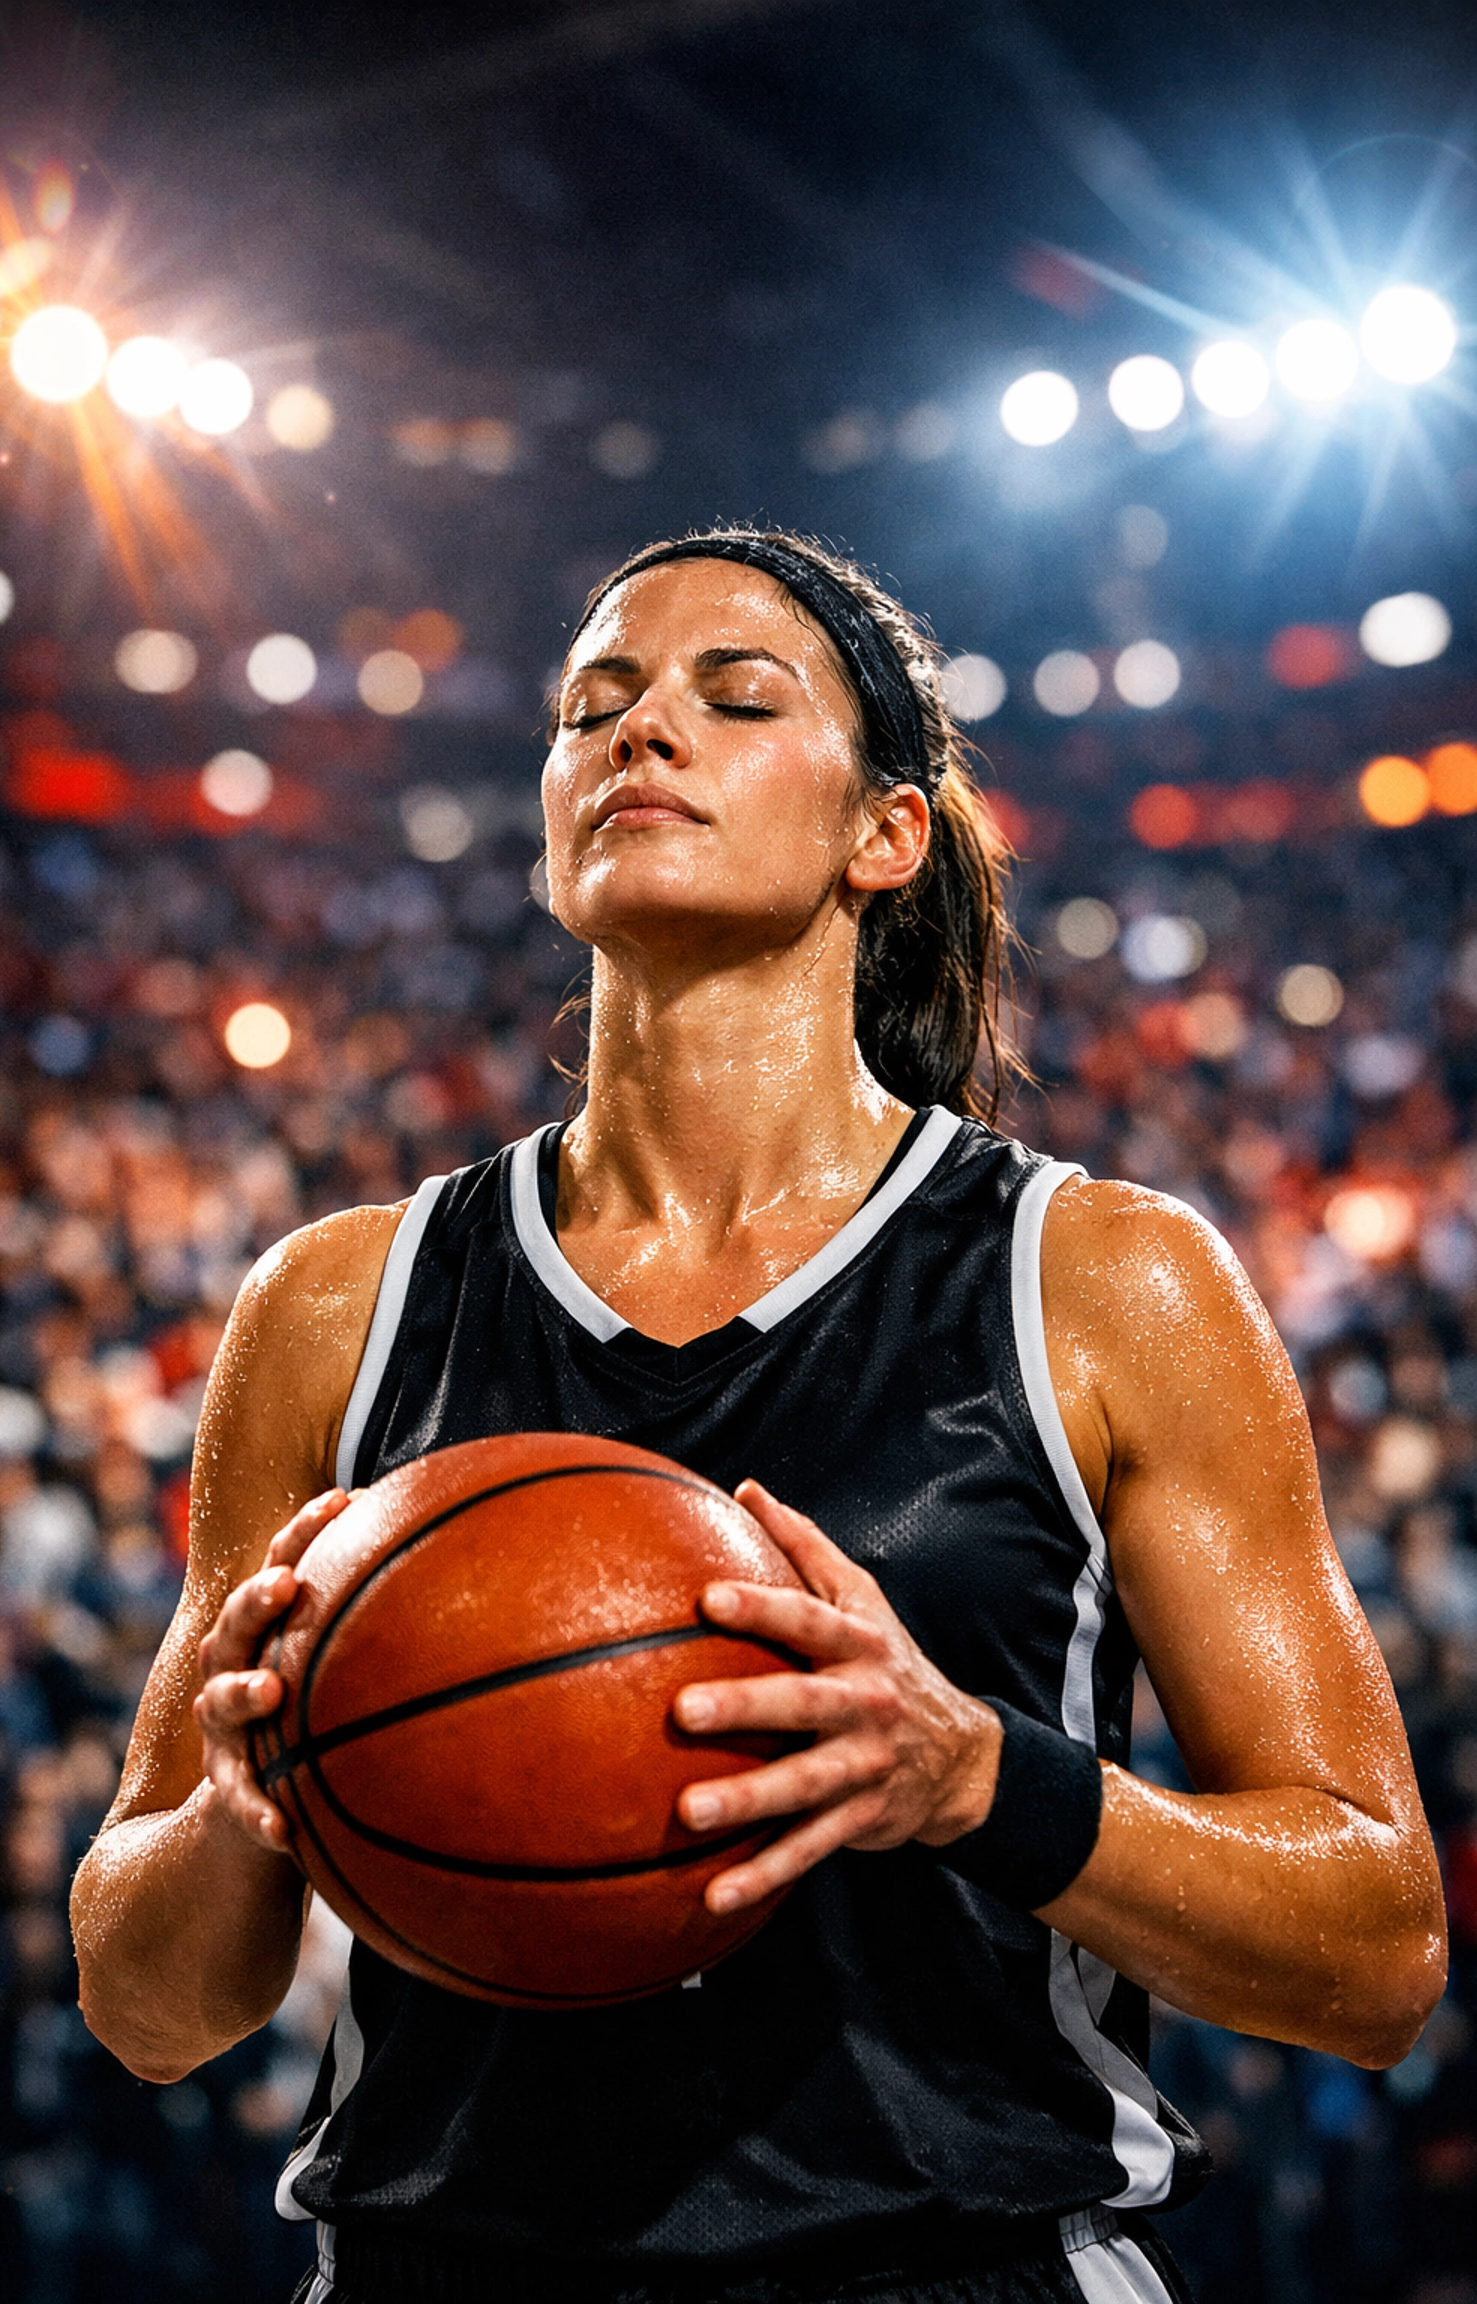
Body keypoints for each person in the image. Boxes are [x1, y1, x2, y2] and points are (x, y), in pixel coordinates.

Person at [70, 531, 1447, 2304]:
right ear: (553, 814)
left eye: (734, 697)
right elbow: (148, 2005)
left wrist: (972, 1778)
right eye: (592, 709)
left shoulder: (1104, 1280)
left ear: (890, 834)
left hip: (956, 2270)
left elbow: (1378, 1944)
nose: (639, 734)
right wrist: (247, 1810)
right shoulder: (338, 1302)